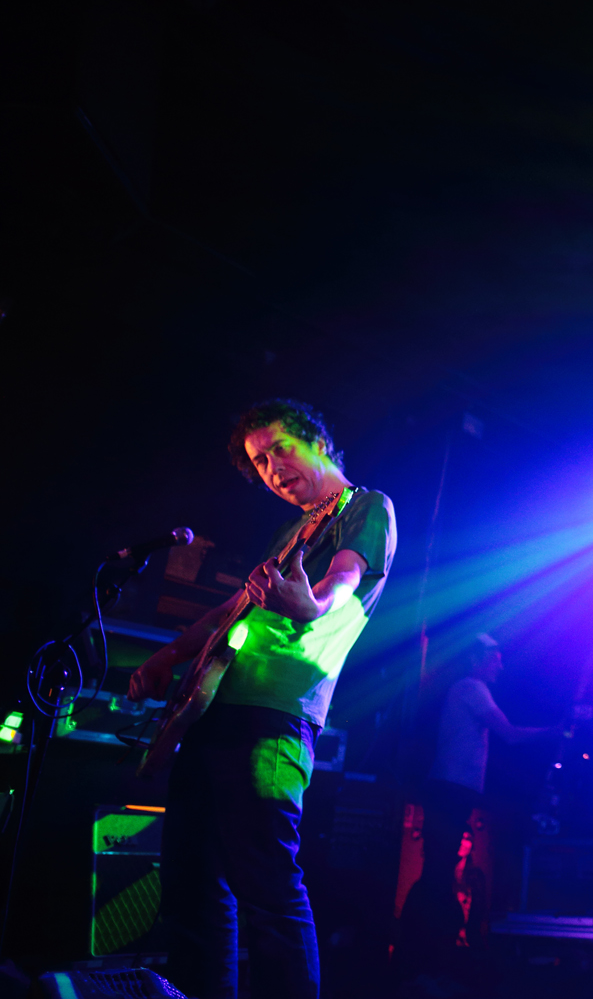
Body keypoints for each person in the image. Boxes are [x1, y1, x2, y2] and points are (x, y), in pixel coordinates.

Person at [128, 399, 397, 999]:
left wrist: (310, 604)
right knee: (195, 884)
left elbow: (344, 580)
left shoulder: (367, 506)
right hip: (215, 708)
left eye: (280, 449)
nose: (272, 469)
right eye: (259, 462)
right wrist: (166, 657)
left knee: (268, 887)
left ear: (318, 441)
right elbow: (231, 611)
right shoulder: (291, 531)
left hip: (275, 715)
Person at [399, 634, 553, 971]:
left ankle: (417, 953)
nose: (501, 666)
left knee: (438, 869)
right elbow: (509, 734)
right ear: (476, 659)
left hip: (450, 790)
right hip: (450, 790)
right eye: (494, 659)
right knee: (439, 870)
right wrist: (555, 732)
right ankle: (419, 956)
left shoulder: (466, 689)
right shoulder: (472, 687)